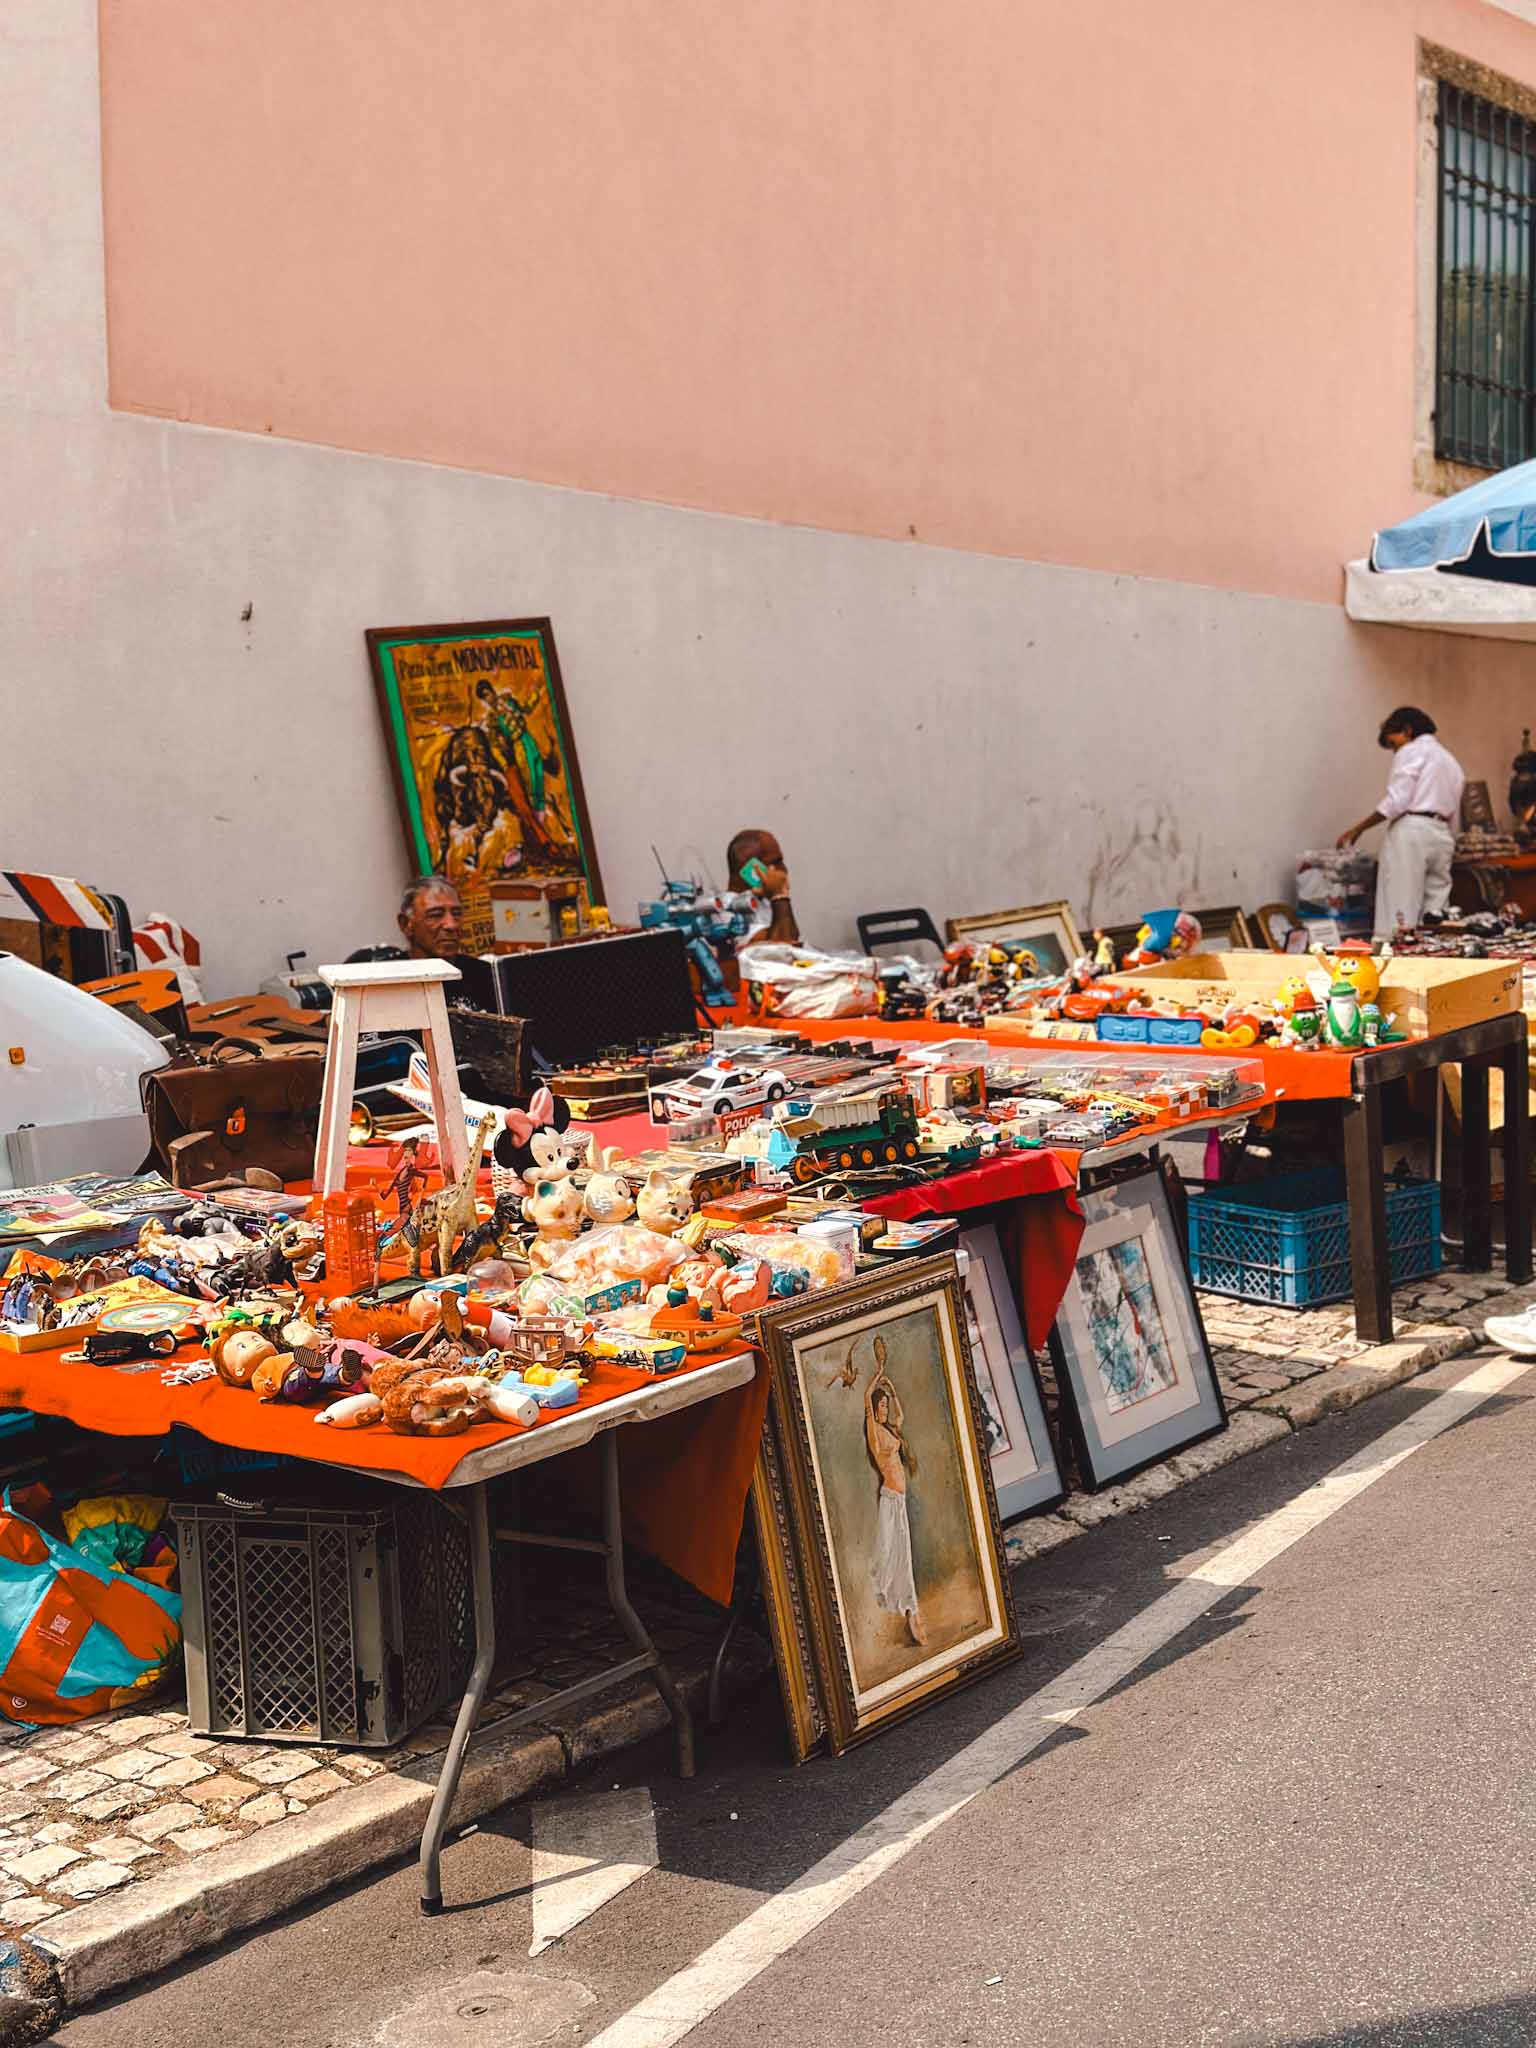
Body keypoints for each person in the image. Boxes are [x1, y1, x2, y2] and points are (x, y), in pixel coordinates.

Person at [1336, 707, 1465, 940]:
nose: (1395, 750)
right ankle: (1436, 953)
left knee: (1400, 901)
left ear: (1407, 730)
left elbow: (1397, 801)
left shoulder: (1412, 750)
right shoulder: (1450, 760)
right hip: (1442, 833)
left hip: (1412, 830)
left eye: (1394, 744)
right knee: (1436, 907)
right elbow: (1455, 807)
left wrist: (1358, 828)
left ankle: (1396, 955)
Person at [864, 1337, 926, 1648]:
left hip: (899, 1499)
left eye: (886, 1405)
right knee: (890, 1556)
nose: (886, 1409)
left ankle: (910, 1609)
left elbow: (901, 1417)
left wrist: (893, 1390)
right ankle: (906, 1609)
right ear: (874, 1409)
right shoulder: (875, 1434)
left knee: (904, 1556)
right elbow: (865, 1400)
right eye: (882, 1405)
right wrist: (877, 1374)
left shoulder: (891, 1429)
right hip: (889, 1498)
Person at [726, 828, 800, 946]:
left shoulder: (763, 900)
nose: (783, 868)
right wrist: (779, 896)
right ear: (751, 869)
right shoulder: (728, 912)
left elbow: (794, 937)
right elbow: (783, 948)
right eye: (776, 862)